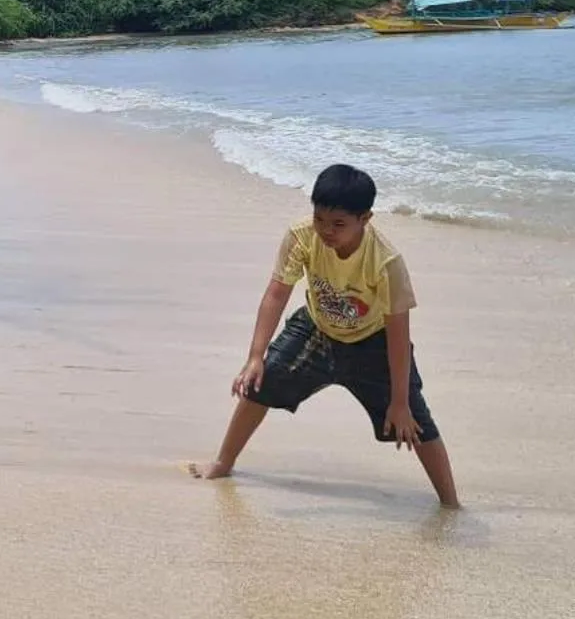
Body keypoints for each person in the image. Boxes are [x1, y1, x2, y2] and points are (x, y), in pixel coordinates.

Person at [189, 163, 460, 507]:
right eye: (320, 219)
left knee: (415, 420)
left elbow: (398, 334)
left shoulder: (386, 262)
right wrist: (255, 356)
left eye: (338, 224)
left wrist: (400, 401)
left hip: (374, 341)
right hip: (316, 329)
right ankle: (223, 463)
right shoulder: (302, 236)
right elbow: (276, 293)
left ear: (365, 219)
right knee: (262, 381)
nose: (326, 231)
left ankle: (451, 503)